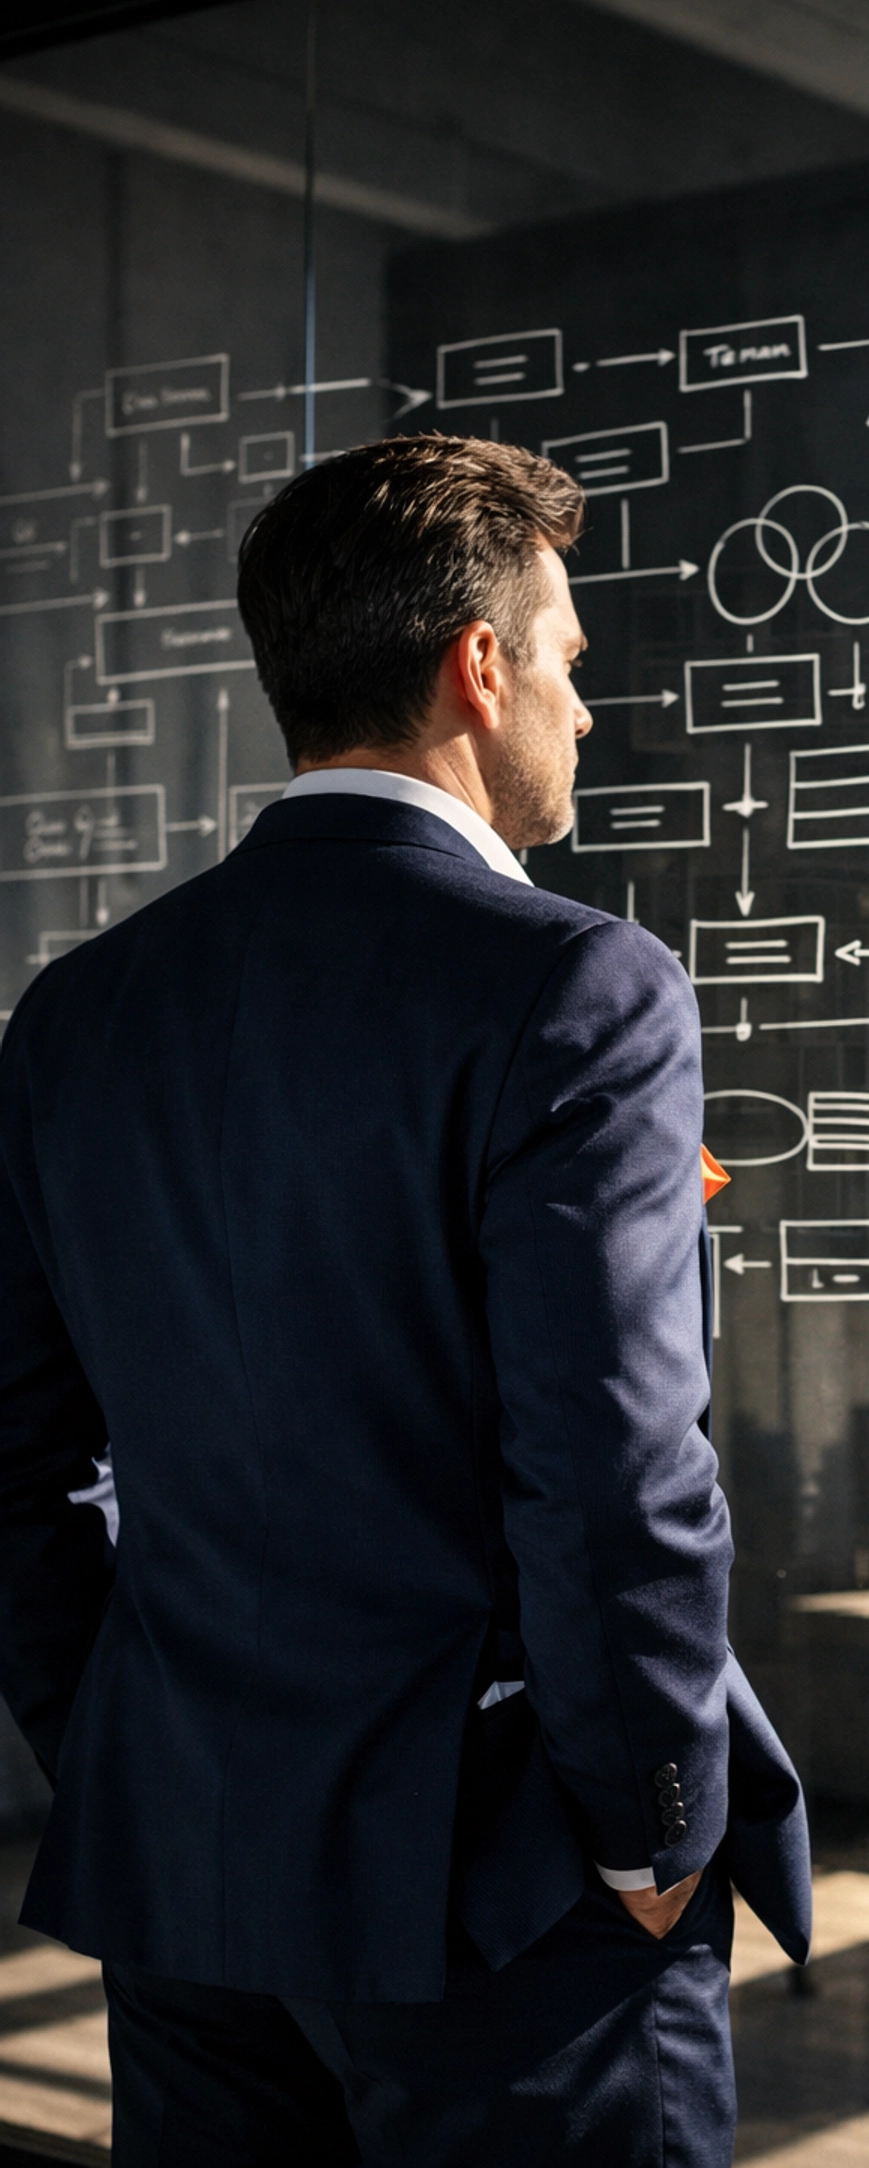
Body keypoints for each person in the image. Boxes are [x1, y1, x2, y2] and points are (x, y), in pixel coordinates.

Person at [0, 433, 811, 2165]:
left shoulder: (79, 1013)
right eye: (573, 665)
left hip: (191, 1867)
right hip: (502, 1888)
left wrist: (127, 1749)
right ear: (482, 665)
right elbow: (611, 1473)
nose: (585, 714)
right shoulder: (578, 985)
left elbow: (20, 1461)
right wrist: (655, 1839)